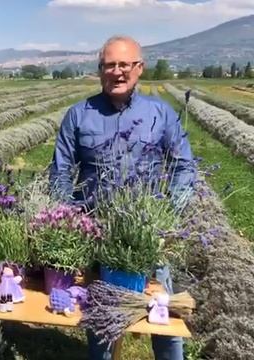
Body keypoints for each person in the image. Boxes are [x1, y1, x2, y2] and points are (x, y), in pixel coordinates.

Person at [48, 35, 196, 360]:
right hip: (96, 236)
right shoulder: (79, 115)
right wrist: (69, 222)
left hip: (149, 239)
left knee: (164, 323)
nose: (117, 72)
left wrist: (167, 218)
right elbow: (59, 173)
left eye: (124, 65)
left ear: (139, 68)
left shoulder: (161, 114)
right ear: (100, 70)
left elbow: (184, 167)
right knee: (101, 321)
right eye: (109, 65)